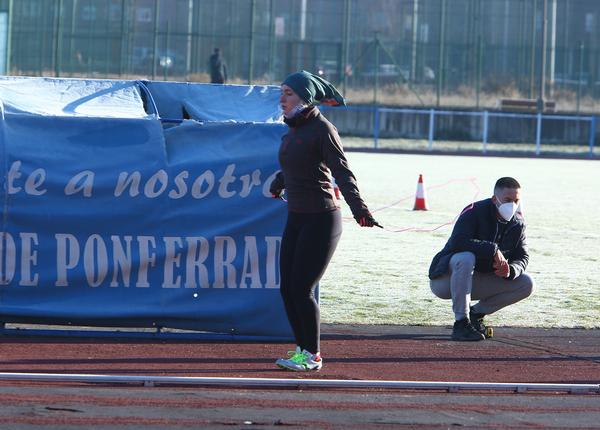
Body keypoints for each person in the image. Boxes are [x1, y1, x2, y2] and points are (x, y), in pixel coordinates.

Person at [270, 70, 380, 371]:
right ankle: (301, 350)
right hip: (297, 216)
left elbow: (342, 172)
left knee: (302, 288)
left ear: (305, 97)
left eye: (288, 93)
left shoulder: (322, 129)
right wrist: (279, 182)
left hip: (321, 218)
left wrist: (360, 209)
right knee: (287, 288)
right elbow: (297, 166)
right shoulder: (293, 129)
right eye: (281, 92)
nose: (282, 98)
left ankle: (313, 355)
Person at [429, 177, 534, 341]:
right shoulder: (474, 211)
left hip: (478, 281)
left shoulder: (518, 223)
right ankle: (461, 323)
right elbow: (458, 242)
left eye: (516, 200)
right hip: (445, 281)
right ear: (494, 199)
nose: (512, 205)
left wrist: (511, 270)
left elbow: (523, 256)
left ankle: (475, 314)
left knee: (526, 283)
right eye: (507, 200)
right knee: (465, 257)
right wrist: (492, 249)